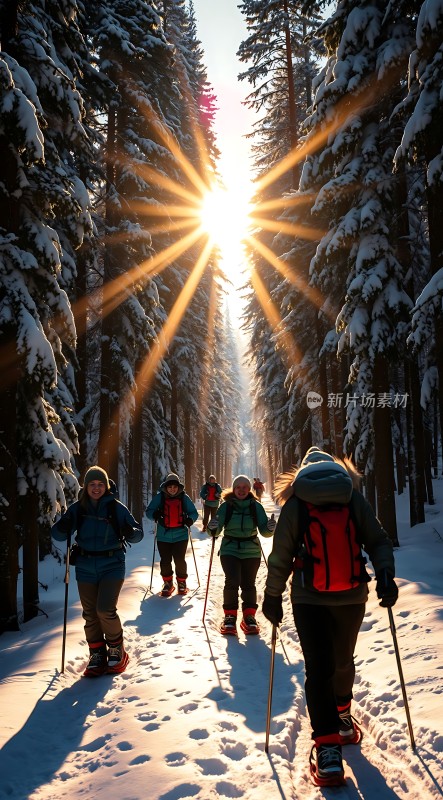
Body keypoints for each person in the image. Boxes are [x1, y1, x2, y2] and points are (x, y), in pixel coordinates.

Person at [262, 447, 398, 785]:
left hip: (309, 598)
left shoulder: (296, 502)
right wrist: (384, 574)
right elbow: (378, 540)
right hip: (352, 596)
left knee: (318, 668)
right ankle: (342, 716)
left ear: (302, 473)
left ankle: (327, 751)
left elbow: (281, 554)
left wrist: (272, 594)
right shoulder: (353, 498)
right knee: (341, 660)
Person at [51, 465, 143, 677]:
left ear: (106, 486)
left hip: (112, 564)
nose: (96, 488)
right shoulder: (77, 509)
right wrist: (63, 525)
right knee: (90, 614)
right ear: (85, 486)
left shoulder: (116, 508)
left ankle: (116, 649)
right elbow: (57, 534)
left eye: (100, 484)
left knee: (105, 609)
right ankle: (97, 654)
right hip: (84, 566)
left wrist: (129, 531)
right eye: (92, 484)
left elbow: (137, 534)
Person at [207, 474, 276, 635]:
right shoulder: (226, 506)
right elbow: (216, 531)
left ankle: (249, 617)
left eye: (245, 487)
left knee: (248, 583)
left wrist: (270, 528)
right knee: (232, 580)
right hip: (229, 549)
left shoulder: (256, 506)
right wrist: (212, 526)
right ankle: (230, 617)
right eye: (238, 487)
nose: (242, 490)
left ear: (249, 489)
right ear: (234, 489)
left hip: (251, 550)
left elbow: (264, 531)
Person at [146, 473, 198, 596]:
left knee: (180, 560)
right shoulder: (160, 497)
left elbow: (193, 513)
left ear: (178, 487)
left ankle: (181, 582)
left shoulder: (184, 498)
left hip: (181, 535)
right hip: (163, 535)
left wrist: (190, 520)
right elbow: (149, 511)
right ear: (166, 487)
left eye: (175, 487)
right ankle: (168, 583)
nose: (172, 489)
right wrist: (155, 515)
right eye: (170, 487)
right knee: (165, 560)